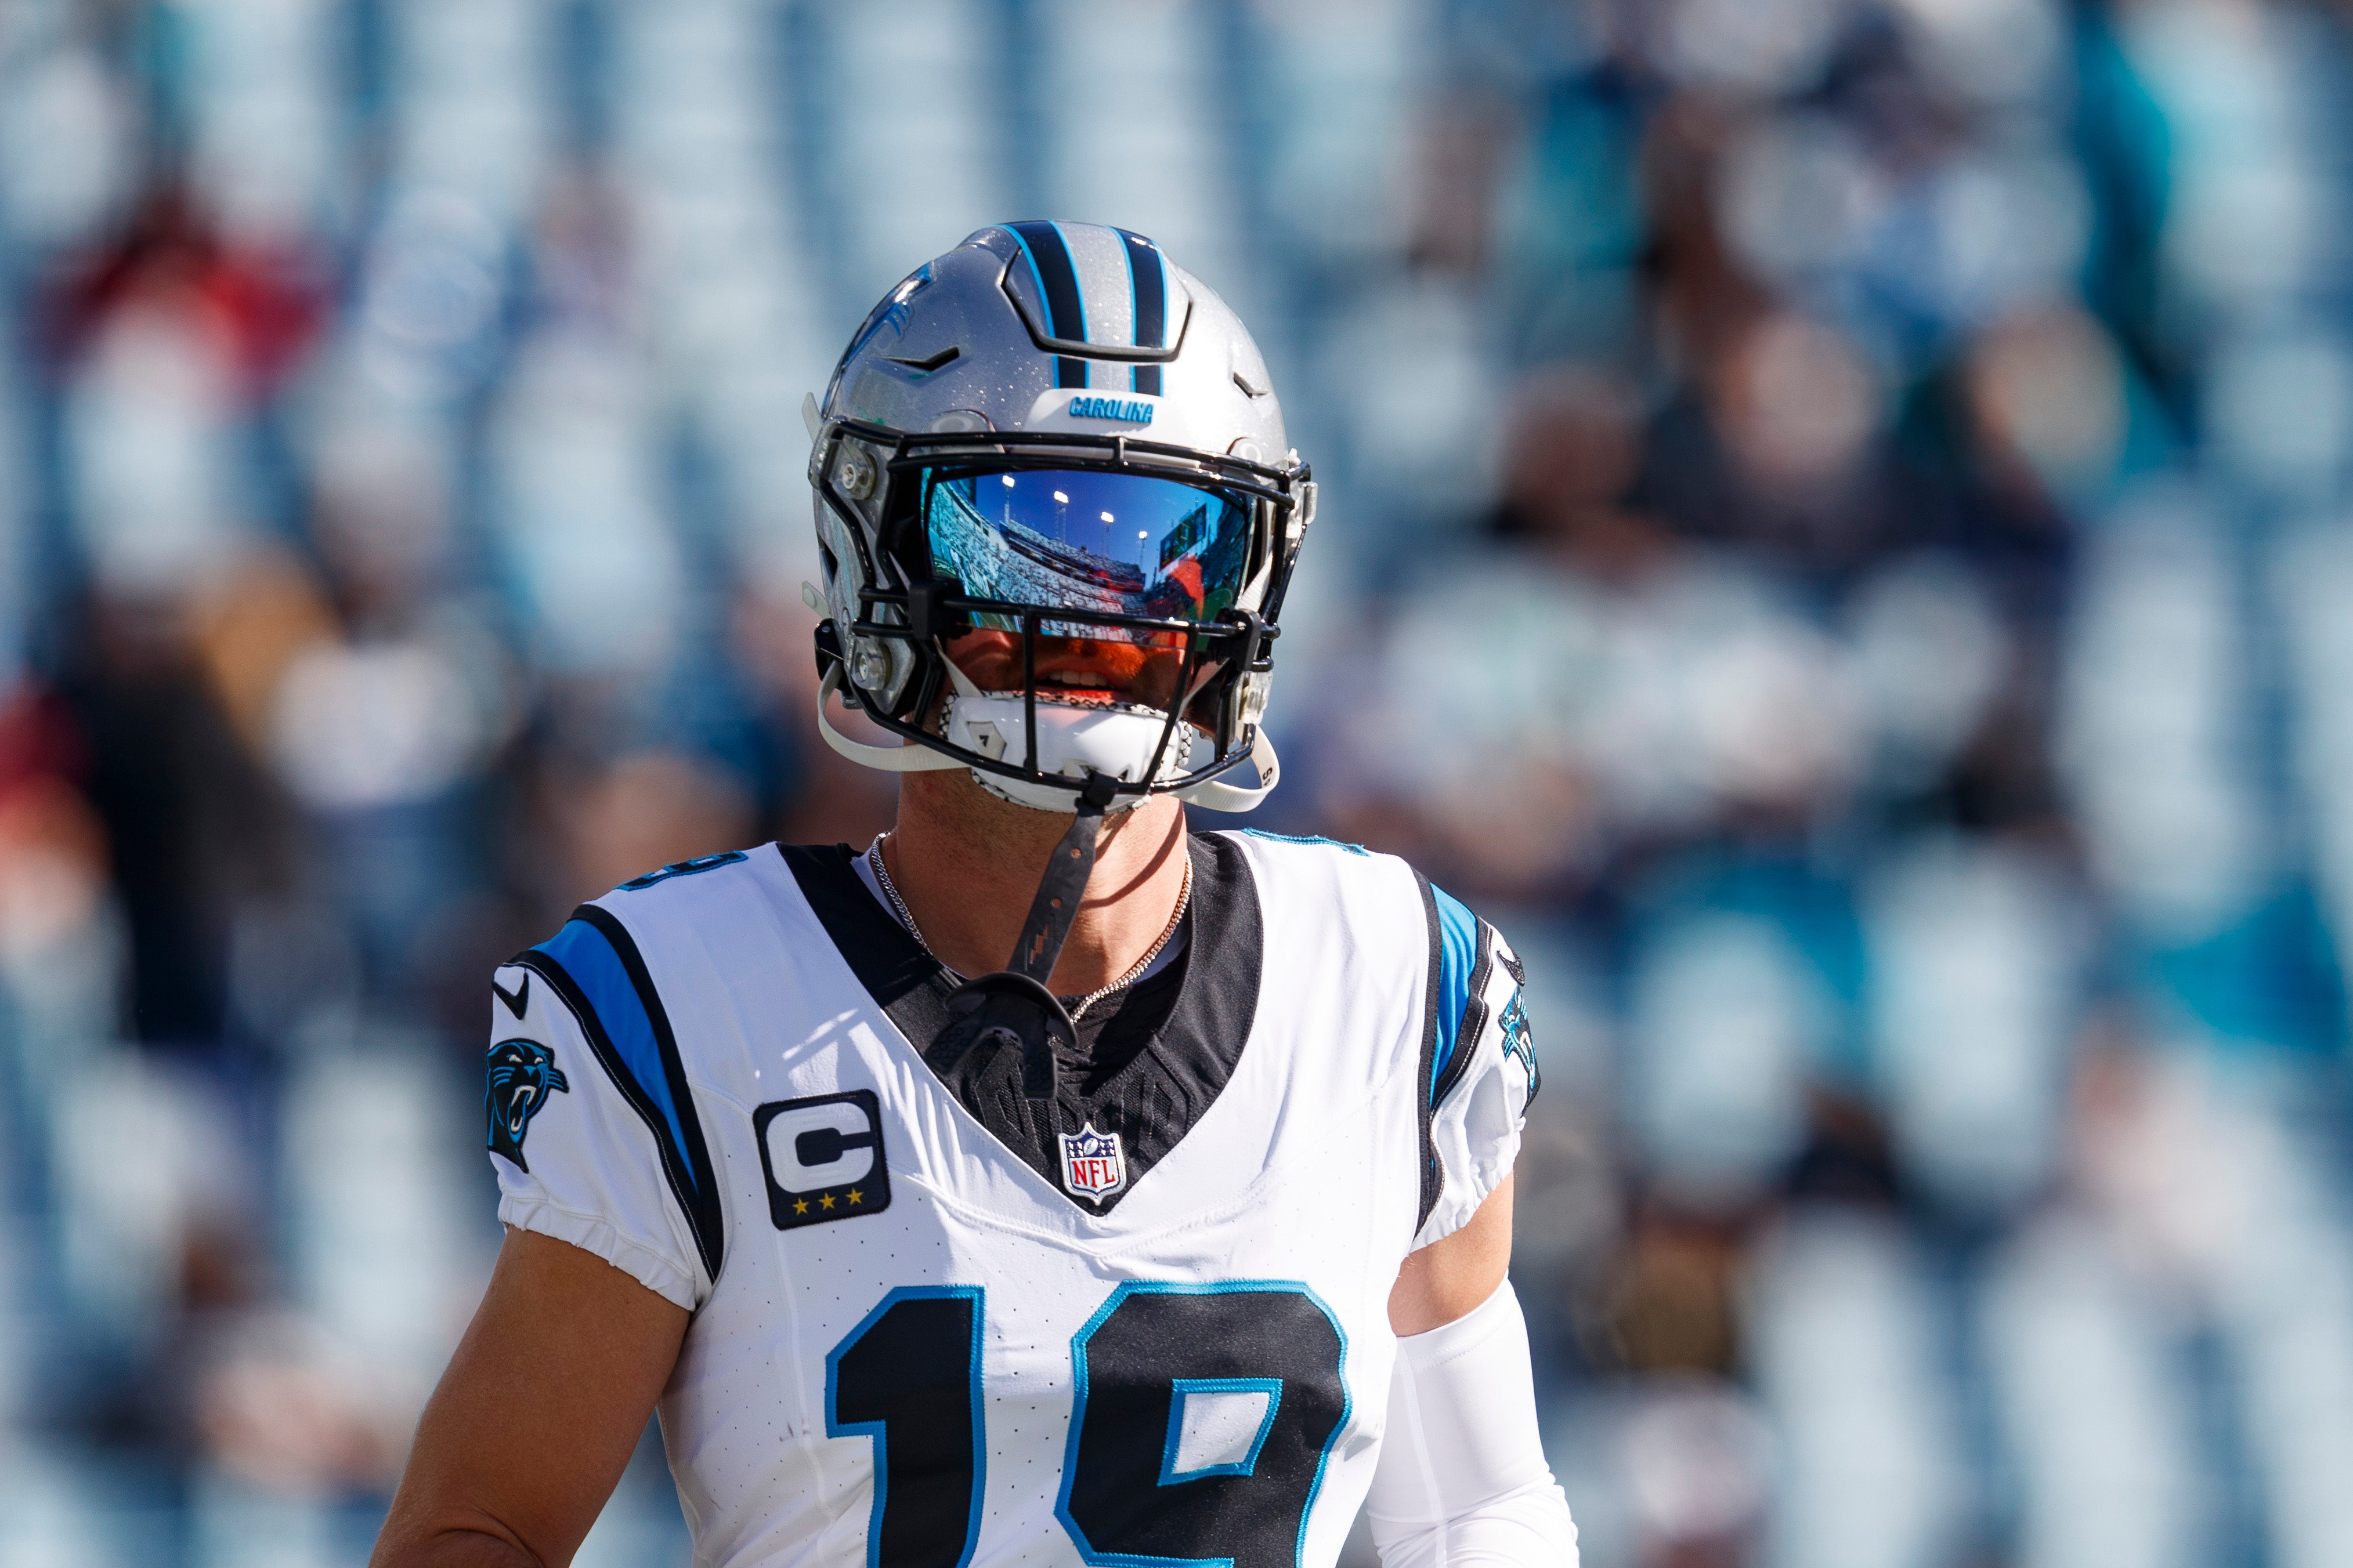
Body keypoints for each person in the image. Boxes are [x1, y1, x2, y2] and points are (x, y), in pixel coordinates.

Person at [371, 223, 1577, 1568]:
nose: (1084, 620)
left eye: (1154, 557)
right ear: (883, 556)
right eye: (1018, 543)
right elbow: (482, 1529)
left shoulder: (1393, 978)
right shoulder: (688, 999)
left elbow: (1473, 1512)